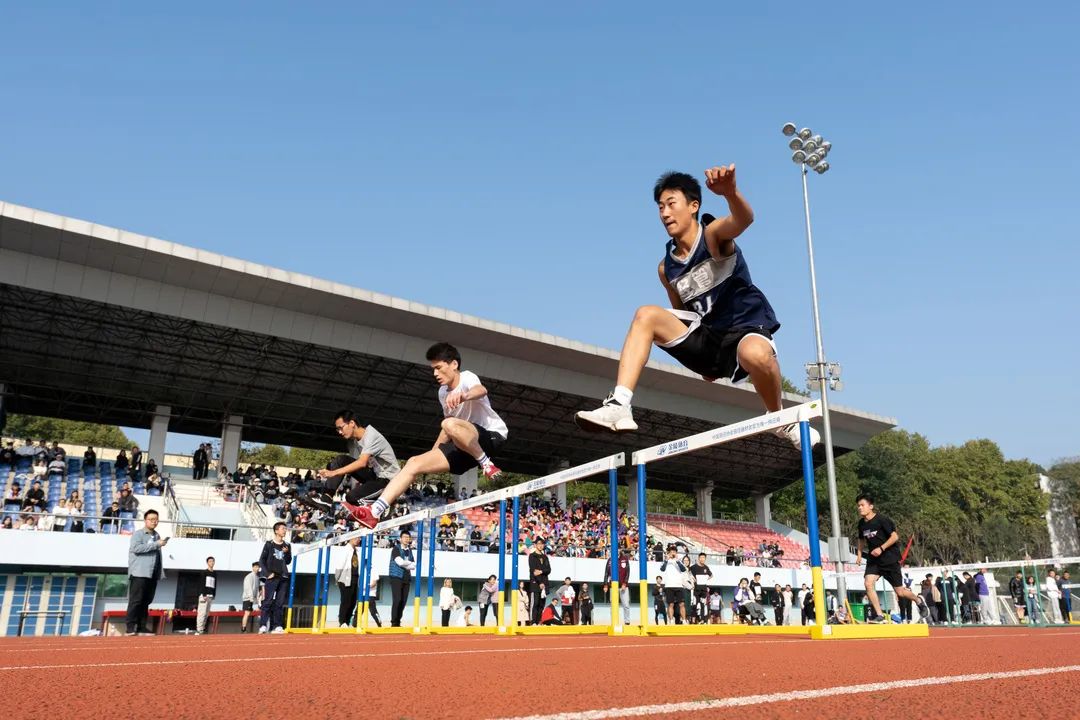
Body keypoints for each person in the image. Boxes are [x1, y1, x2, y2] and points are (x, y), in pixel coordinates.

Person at [574, 169, 820, 451]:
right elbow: (682, 314)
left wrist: (730, 192)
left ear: (693, 206)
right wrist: (696, 357)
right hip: (708, 340)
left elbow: (744, 219)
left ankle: (779, 418)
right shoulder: (666, 268)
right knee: (646, 314)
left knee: (757, 355)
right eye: (660, 207)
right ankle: (619, 403)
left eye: (671, 203)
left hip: (744, 330)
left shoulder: (713, 236)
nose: (665, 213)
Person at [346, 343, 508, 528]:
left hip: (490, 437)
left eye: (438, 368)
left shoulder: (467, 377)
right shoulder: (442, 393)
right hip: (463, 446)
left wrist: (463, 396)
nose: (435, 374)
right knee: (414, 462)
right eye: (433, 369)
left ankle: (487, 463)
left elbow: (481, 390)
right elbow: (448, 429)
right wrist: (433, 453)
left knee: (448, 423)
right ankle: (374, 512)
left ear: (453, 364)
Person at [854, 493, 928, 623]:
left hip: (889, 559)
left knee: (900, 592)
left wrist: (881, 548)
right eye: (858, 506)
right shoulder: (861, 524)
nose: (860, 508)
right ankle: (879, 615)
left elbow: (895, 537)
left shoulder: (882, 520)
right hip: (874, 560)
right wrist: (859, 555)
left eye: (862, 505)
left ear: (871, 506)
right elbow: (861, 540)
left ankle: (918, 600)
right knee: (868, 583)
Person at [313, 411, 401, 513]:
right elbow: (355, 466)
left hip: (390, 481)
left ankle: (384, 504)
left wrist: (333, 472)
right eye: (337, 430)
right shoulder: (354, 442)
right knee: (341, 460)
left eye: (341, 428)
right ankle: (326, 500)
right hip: (375, 476)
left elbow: (361, 463)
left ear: (352, 423)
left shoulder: (371, 436)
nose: (340, 432)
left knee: (351, 497)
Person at [126, 509, 167, 635]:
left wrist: (159, 572)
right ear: (145, 520)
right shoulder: (138, 534)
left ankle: (141, 626)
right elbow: (136, 548)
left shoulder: (157, 535)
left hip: (152, 574)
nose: (154, 522)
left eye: (156, 519)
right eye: (151, 519)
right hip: (139, 573)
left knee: (146, 601)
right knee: (136, 601)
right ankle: (130, 627)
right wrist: (156, 544)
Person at [258, 521, 292, 634]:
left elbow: (288, 561)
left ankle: (277, 626)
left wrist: (287, 553)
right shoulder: (269, 544)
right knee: (267, 601)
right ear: (276, 531)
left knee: (279, 603)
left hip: (283, 577)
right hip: (272, 576)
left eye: (285, 528)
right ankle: (263, 625)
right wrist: (267, 573)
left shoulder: (287, 545)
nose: (285, 530)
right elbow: (261, 560)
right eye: (283, 528)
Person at [388, 530, 416, 627]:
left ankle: (398, 621)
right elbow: (399, 562)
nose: (406, 539)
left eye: (408, 537)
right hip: (396, 577)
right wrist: (408, 563)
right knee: (397, 599)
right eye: (404, 537)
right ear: (400, 538)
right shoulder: (396, 549)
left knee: (403, 601)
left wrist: (406, 563)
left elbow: (413, 566)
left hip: (406, 578)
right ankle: (393, 622)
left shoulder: (410, 550)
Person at [335, 538, 363, 628]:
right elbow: (340, 564)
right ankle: (342, 621)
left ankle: (347, 621)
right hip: (345, 578)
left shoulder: (357, 551)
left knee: (353, 601)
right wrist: (337, 578)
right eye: (356, 538)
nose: (358, 540)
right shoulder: (346, 549)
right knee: (345, 600)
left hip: (355, 578)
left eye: (359, 538)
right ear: (350, 538)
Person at [603, 550, 632, 626]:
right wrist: (605, 584)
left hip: (623, 586)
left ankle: (627, 622)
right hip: (613, 586)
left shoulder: (625, 559)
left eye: (619, 549)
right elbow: (606, 573)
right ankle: (614, 622)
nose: (617, 550)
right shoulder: (610, 560)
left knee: (626, 604)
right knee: (613, 605)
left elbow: (628, 572)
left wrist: (625, 583)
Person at [528, 537, 552, 625]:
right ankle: (533, 621)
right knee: (535, 603)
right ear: (535, 545)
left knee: (542, 604)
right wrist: (540, 582)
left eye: (542, 544)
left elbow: (548, 570)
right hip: (535, 583)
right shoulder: (532, 556)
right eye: (539, 544)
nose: (541, 546)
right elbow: (533, 570)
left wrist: (541, 571)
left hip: (545, 584)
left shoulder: (545, 557)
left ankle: (538, 621)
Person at [660, 546, 686, 624]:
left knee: (681, 604)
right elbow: (662, 569)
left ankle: (684, 620)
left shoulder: (679, 560)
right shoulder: (665, 561)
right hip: (669, 585)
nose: (673, 553)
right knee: (670, 604)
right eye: (671, 552)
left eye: (674, 552)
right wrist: (667, 560)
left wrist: (677, 560)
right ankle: (671, 620)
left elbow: (683, 569)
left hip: (679, 585)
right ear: (669, 553)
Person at [690, 553, 713, 624]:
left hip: (703, 589)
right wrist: (694, 580)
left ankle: (702, 620)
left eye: (704, 558)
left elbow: (711, 575)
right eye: (701, 557)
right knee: (695, 604)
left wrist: (705, 580)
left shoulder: (706, 567)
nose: (702, 559)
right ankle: (693, 620)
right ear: (699, 558)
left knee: (703, 605)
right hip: (696, 589)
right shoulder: (694, 567)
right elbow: (690, 574)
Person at [196, 556, 217, 635]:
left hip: (211, 596)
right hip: (204, 595)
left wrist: (214, 594)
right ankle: (199, 629)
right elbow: (201, 584)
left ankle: (202, 629)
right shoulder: (204, 572)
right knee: (202, 613)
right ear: (207, 563)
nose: (212, 563)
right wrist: (203, 594)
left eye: (213, 561)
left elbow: (215, 584)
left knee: (207, 613)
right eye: (210, 561)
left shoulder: (215, 573)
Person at [241, 562, 261, 633]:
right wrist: (251, 597)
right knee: (247, 613)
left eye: (258, 567)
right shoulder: (249, 576)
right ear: (252, 567)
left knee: (249, 613)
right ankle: (243, 628)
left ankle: (245, 628)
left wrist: (257, 598)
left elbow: (257, 588)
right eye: (255, 567)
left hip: (253, 598)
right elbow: (248, 587)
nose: (257, 568)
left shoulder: (257, 577)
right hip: (248, 598)